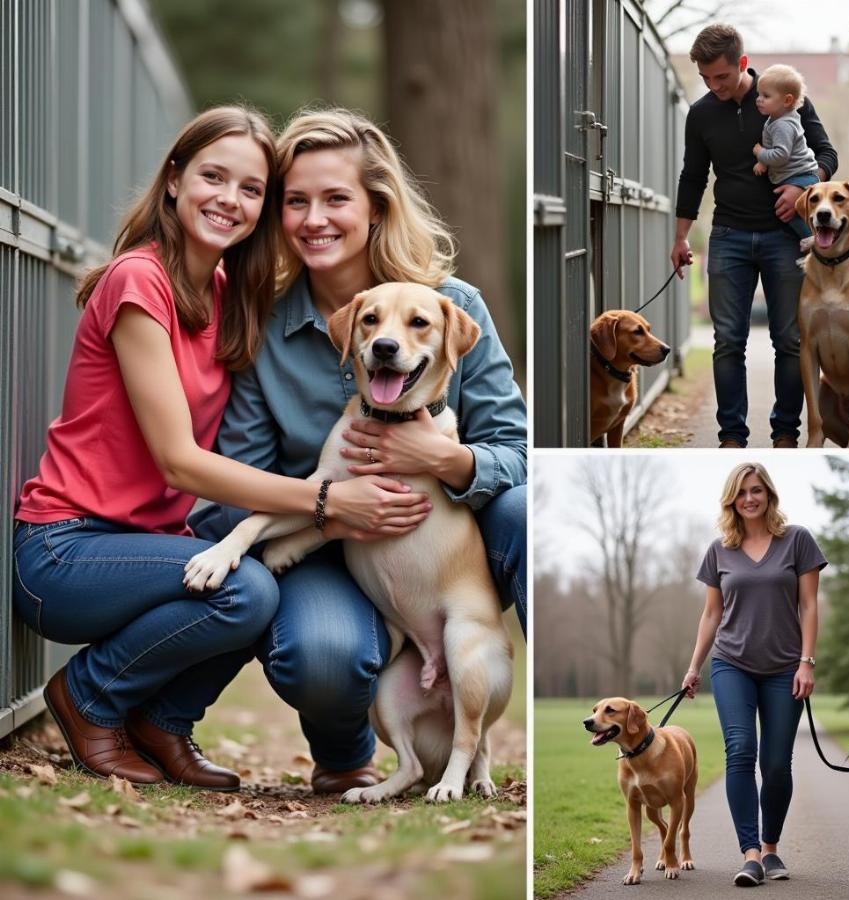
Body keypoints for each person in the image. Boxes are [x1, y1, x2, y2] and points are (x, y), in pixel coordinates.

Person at [13, 106, 428, 790]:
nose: (228, 200)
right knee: (243, 586)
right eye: (212, 176)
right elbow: (180, 461)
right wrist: (328, 500)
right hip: (67, 547)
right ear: (174, 179)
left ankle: (162, 724)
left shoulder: (232, 295)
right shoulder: (138, 281)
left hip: (147, 543)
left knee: (247, 573)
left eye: (250, 189)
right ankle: (89, 696)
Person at [189, 107, 527, 795]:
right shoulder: (264, 322)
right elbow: (235, 490)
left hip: (444, 545)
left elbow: (516, 452)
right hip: (323, 544)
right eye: (296, 201)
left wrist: (440, 460)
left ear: (376, 207)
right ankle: (345, 749)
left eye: (336, 198)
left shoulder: (453, 305)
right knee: (324, 654)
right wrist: (331, 509)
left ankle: (499, 710)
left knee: (525, 512)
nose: (315, 218)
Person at [670, 24, 838, 449]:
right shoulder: (702, 113)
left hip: (785, 237)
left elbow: (827, 154)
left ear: (742, 64)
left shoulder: (784, 96)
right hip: (728, 236)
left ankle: (785, 434)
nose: (714, 86)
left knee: (790, 341)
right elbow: (693, 177)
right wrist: (681, 238)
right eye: (706, 79)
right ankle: (731, 437)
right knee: (727, 342)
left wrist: (804, 188)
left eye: (721, 77)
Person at [681, 462, 826, 886]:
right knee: (740, 750)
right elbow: (711, 614)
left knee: (777, 764)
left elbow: (810, 606)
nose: (749, 498)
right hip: (731, 664)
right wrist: (693, 668)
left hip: (785, 668)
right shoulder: (719, 550)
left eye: (757, 490)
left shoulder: (796, 540)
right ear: (732, 499)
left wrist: (807, 661)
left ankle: (771, 848)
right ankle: (750, 856)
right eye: (742, 491)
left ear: (769, 495)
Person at [751, 64, 820, 254]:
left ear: (787, 100)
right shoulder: (776, 118)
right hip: (796, 174)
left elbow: (781, 155)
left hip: (800, 177)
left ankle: (810, 236)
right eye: (759, 94)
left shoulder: (783, 125)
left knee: (789, 213)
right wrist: (764, 162)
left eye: (766, 96)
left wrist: (760, 153)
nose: (758, 100)